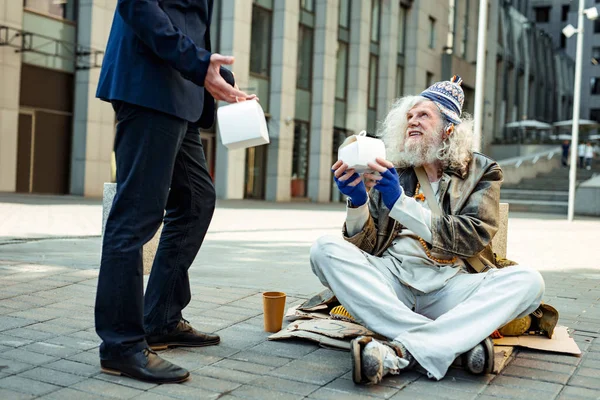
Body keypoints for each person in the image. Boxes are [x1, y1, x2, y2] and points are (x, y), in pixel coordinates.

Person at [310, 76, 545, 384]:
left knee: (529, 282)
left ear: (449, 129)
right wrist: (357, 203)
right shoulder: (394, 170)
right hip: (392, 280)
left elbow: (473, 235)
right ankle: (450, 343)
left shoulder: (482, 171)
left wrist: (401, 204)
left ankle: (399, 349)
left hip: (451, 285)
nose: (413, 121)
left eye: (424, 115)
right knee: (324, 249)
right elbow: (366, 247)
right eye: (409, 116)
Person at [94, 0, 256, 384]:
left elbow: (186, 21)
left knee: (197, 200)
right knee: (135, 217)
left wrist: (216, 77)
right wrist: (199, 66)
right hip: (149, 87)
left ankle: (161, 318)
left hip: (179, 93)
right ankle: (121, 345)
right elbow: (138, 6)